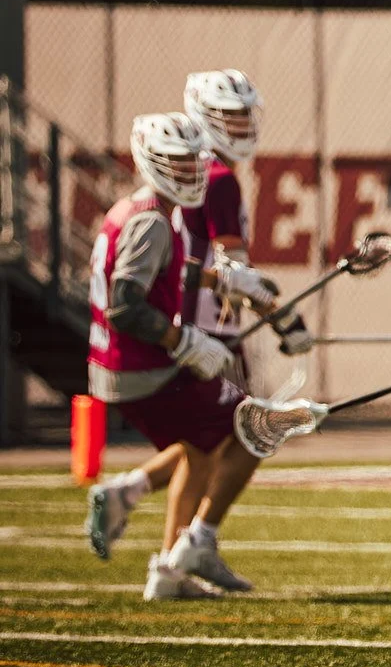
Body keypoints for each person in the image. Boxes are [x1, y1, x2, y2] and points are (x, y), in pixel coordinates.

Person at [86, 70, 308, 573]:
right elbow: (127, 302)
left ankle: (167, 548)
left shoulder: (135, 208)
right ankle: (189, 549)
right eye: (179, 163)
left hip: (156, 344)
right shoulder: (173, 206)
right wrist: (185, 337)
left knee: (206, 444)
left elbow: (182, 270)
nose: (192, 173)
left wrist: (214, 285)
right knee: (249, 429)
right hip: (163, 350)